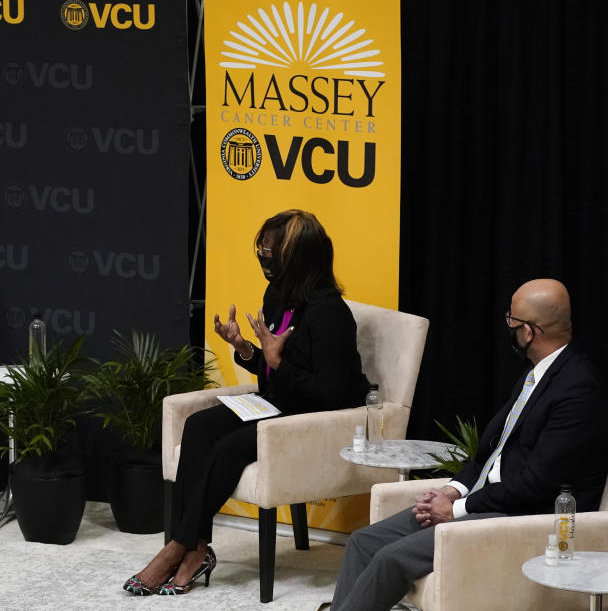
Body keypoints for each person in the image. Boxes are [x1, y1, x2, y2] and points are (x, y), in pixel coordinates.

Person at [123, 209, 370, 596]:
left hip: (310, 420)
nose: (265, 256)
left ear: (299, 256)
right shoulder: (277, 296)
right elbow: (273, 373)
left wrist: (275, 362)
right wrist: (246, 350)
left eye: (272, 249)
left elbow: (331, 394)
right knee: (199, 426)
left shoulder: (330, 314)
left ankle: (176, 548)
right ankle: (197, 547)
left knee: (228, 448)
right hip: (277, 402)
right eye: (263, 248)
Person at [328, 278, 608, 611]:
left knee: (392, 558)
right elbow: (491, 453)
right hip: (485, 502)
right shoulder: (537, 374)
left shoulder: (579, 390)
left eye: (512, 322)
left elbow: (535, 485)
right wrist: (452, 491)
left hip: (524, 518)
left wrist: (458, 509)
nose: (508, 328)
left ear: (530, 332)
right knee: (363, 542)